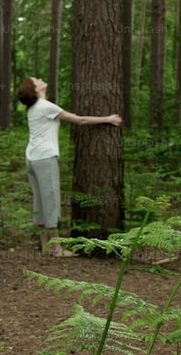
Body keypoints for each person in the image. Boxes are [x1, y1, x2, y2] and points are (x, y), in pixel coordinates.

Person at [17, 77, 122, 257]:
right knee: (50, 202)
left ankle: (45, 246)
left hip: (32, 159)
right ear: (35, 89)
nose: (41, 79)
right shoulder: (45, 107)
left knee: (40, 202)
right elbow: (79, 120)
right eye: (37, 80)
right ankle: (57, 249)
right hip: (45, 158)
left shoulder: (33, 108)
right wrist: (107, 118)